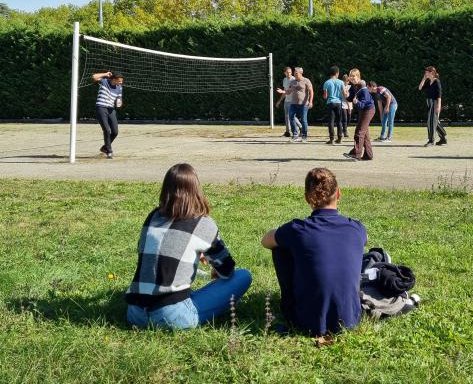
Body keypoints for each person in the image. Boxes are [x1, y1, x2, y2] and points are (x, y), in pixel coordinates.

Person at [125, 163, 252, 330]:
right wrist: (212, 263)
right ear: (196, 189)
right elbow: (227, 269)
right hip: (172, 316)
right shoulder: (203, 223)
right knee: (243, 276)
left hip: (135, 314)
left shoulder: (153, 217)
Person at [261, 167, 367, 336]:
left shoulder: (296, 230)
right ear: (339, 193)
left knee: (279, 248)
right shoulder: (357, 228)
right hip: (350, 319)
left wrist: (284, 234)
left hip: (305, 321)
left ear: (306, 198)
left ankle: (294, 303)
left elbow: (265, 241)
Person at [343, 69, 375, 161]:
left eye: (354, 76)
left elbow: (362, 105)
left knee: (359, 132)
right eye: (351, 76)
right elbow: (351, 98)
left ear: (358, 76)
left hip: (368, 110)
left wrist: (356, 102)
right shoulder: (354, 86)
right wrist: (346, 95)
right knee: (365, 134)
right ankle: (368, 155)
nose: (352, 78)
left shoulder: (363, 89)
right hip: (363, 111)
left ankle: (356, 154)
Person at [92, 71, 124, 159]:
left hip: (111, 109)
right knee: (106, 130)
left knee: (115, 132)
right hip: (101, 108)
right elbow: (94, 77)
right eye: (119, 81)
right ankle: (109, 151)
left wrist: (119, 103)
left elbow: (119, 99)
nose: (121, 82)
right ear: (113, 79)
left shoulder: (119, 87)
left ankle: (104, 147)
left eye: (122, 81)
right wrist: (105, 74)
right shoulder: (105, 81)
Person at [276, 67, 313, 142]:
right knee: (291, 117)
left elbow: (311, 91)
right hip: (293, 103)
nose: (294, 74)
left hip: (304, 104)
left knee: (304, 120)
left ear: (301, 73)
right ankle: (295, 135)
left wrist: (311, 101)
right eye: (294, 73)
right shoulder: (293, 82)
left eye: (296, 73)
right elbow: (289, 91)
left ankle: (304, 136)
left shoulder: (306, 80)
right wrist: (283, 91)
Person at [418, 66, 448, 147]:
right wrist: (424, 79)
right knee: (434, 121)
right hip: (429, 103)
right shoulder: (428, 82)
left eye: (426, 72)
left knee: (430, 122)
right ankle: (443, 138)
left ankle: (431, 141)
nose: (425, 73)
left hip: (434, 103)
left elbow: (439, 96)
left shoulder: (437, 81)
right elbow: (420, 88)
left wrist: (438, 107)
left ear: (431, 72)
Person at [275, 66, 301, 137]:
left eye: (290, 72)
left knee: (291, 116)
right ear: (285, 73)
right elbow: (285, 92)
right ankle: (287, 132)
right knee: (287, 116)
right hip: (286, 100)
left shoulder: (293, 80)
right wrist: (279, 101)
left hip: (293, 101)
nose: (289, 74)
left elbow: (289, 91)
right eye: (287, 72)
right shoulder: (284, 80)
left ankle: (301, 127)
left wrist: (282, 91)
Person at [322, 65, 345, 144]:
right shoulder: (341, 82)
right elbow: (344, 93)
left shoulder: (327, 82)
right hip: (338, 102)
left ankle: (331, 139)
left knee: (331, 121)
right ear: (337, 73)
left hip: (330, 102)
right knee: (339, 121)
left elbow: (325, 96)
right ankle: (339, 138)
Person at [341, 74, 352, 138]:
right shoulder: (341, 86)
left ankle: (344, 129)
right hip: (343, 103)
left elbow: (350, 96)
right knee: (344, 118)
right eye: (345, 81)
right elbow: (345, 96)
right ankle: (345, 132)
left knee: (349, 118)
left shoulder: (350, 87)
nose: (346, 82)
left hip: (349, 104)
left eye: (348, 81)